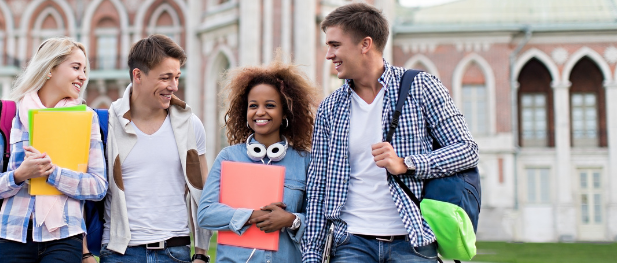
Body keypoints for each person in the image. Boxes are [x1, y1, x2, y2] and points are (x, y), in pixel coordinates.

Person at [301, 3, 479, 263]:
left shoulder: (421, 87)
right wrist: (312, 255)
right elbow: (318, 187)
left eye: (335, 45)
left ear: (365, 44)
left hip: (413, 242)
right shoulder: (330, 107)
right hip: (351, 244)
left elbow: (467, 150)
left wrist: (406, 164)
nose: (329, 54)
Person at [0, 37, 108, 263]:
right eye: (76, 67)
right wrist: (20, 175)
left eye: (85, 70)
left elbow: (98, 186)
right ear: (50, 69)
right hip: (14, 236)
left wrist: (53, 174)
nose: (83, 76)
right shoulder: (8, 115)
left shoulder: (87, 118)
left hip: (65, 237)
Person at [100, 34, 212, 263]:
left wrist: (201, 254)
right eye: (166, 78)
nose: (174, 86)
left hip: (176, 251)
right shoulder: (107, 123)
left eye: (177, 77)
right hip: (121, 253)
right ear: (138, 75)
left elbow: (203, 191)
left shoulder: (191, 125)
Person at [197, 54, 320, 263]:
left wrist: (291, 220)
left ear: (285, 113)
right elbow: (206, 214)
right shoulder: (228, 157)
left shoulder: (305, 161)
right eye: (253, 105)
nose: (260, 112)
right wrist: (252, 216)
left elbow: (320, 224)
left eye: (270, 105)